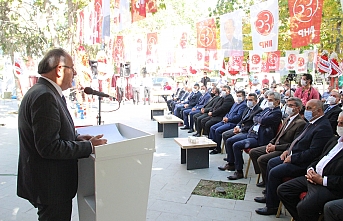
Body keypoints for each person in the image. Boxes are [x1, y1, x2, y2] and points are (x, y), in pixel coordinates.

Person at [17, 48, 107, 221]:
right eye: (72, 69)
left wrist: (76, 139)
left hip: (46, 183)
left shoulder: (43, 91)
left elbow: (49, 134)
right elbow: (49, 147)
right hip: (51, 186)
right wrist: (88, 146)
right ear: (59, 69)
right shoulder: (45, 96)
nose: (74, 74)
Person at [255, 99, 333, 216]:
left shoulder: (323, 127)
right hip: (294, 155)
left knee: (275, 172)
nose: (305, 111)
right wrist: (288, 151)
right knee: (271, 163)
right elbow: (297, 141)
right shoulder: (311, 122)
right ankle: (270, 197)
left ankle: (272, 207)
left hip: (303, 163)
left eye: (308, 108)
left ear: (319, 110)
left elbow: (313, 152)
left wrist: (293, 158)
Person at [277, 112, 343, 221]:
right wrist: (311, 169)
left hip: (329, 186)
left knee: (304, 206)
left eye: (342, 123)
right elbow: (319, 158)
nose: (339, 126)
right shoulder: (335, 140)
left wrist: (322, 180)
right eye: (338, 123)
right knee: (283, 190)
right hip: (312, 177)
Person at [223, 92, 282, 180]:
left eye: (270, 100)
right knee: (230, 140)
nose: (268, 101)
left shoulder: (277, 112)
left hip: (260, 137)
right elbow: (255, 118)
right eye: (268, 99)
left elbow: (263, 121)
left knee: (236, 145)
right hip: (252, 133)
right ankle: (231, 163)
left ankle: (239, 172)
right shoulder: (267, 109)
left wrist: (259, 120)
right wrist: (259, 120)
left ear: (277, 101)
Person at [249, 97, 306, 187]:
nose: (288, 107)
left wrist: (275, 147)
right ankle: (264, 176)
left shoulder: (300, 123)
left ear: (298, 108)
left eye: (291, 105)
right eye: (287, 105)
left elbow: (294, 143)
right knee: (253, 152)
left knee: (262, 159)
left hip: (283, 149)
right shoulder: (287, 119)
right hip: (275, 145)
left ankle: (268, 183)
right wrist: (270, 143)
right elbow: (278, 135)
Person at [208, 90, 247, 154]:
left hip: (232, 123)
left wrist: (228, 119)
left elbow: (238, 117)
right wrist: (225, 117)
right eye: (237, 96)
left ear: (243, 97)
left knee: (218, 130)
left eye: (240, 96)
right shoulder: (236, 103)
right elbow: (229, 112)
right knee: (212, 127)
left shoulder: (243, 105)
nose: (238, 97)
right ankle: (213, 145)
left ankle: (217, 148)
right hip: (226, 120)